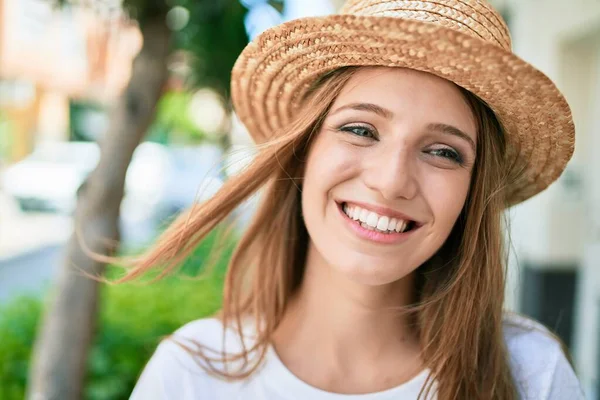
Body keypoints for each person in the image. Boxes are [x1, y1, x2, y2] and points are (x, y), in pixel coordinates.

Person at [127, 0, 584, 398]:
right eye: (360, 130)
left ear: (472, 192)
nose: (391, 181)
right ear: (304, 151)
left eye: (443, 152)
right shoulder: (190, 376)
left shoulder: (530, 375)